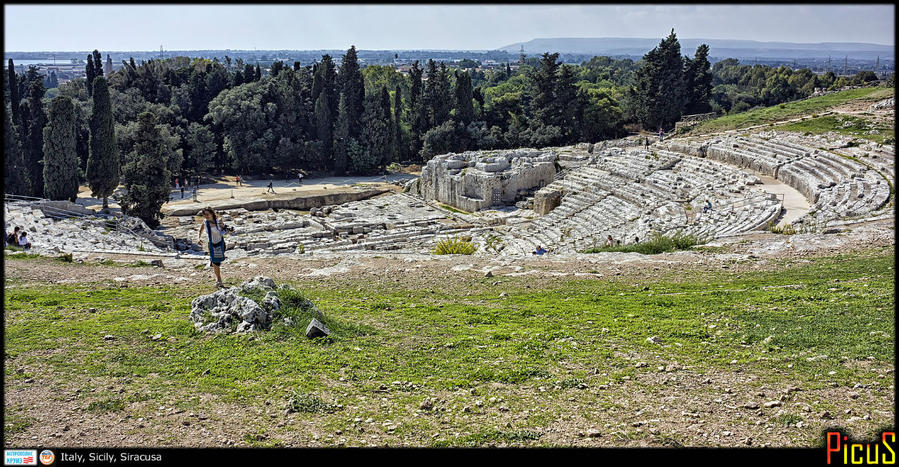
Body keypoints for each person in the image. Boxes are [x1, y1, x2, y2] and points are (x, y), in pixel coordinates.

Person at [198, 207, 228, 288]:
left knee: (218, 261)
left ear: (211, 213)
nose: (206, 216)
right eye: (204, 215)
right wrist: (199, 238)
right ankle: (219, 280)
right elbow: (200, 230)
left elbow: (224, 231)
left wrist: (226, 231)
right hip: (211, 244)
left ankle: (217, 276)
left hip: (220, 243)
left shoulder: (219, 221)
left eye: (207, 214)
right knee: (216, 262)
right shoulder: (205, 222)